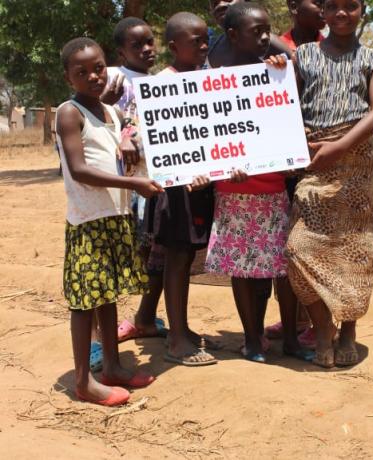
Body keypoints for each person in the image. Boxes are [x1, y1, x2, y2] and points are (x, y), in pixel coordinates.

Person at [205, 2, 314, 364]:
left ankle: (292, 339)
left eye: (268, 29)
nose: (266, 37)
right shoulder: (215, 79)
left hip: (273, 188)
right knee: (243, 269)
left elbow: (293, 114)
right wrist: (224, 167)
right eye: (257, 31)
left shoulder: (277, 72)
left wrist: (286, 73)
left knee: (281, 266)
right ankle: (252, 338)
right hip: (234, 190)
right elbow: (208, 134)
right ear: (233, 35)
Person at [57, 37, 163, 405]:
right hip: (88, 220)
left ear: (108, 66)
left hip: (115, 215)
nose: (93, 76)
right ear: (68, 77)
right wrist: (133, 182)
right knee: (85, 301)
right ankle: (85, 380)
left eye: (98, 67)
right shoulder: (69, 113)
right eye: (81, 72)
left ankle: (113, 366)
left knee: (107, 294)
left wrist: (131, 147)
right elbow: (79, 170)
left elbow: (122, 150)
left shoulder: (112, 114)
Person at [287, 0, 373, 368]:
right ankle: (323, 329)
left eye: (351, 5)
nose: (342, 13)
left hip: (357, 161)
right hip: (314, 159)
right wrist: (272, 73)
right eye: (333, 6)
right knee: (299, 249)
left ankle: (347, 331)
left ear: (362, 9)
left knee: (356, 249)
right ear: (323, 14)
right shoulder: (303, 55)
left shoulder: (372, 59)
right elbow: (282, 103)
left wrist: (341, 146)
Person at [101, 17, 168, 343]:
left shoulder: (160, 83)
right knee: (121, 255)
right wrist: (119, 132)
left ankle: (145, 316)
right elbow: (91, 115)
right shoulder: (113, 79)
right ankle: (104, 329)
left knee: (156, 253)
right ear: (121, 51)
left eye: (150, 42)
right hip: (122, 188)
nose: (146, 49)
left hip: (153, 183)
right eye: (137, 45)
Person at [265, 0, 327, 347]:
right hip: (283, 165)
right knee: (285, 245)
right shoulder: (274, 46)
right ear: (292, 5)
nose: (322, 7)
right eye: (315, 1)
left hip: (321, 159)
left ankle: (320, 320)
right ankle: (296, 319)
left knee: (318, 243)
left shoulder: (334, 46)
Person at [158, 12, 218, 366]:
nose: (203, 45)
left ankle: (182, 328)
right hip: (176, 190)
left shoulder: (210, 79)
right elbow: (150, 137)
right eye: (195, 40)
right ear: (173, 46)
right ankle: (177, 338)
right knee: (178, 257)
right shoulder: (161, 84)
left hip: (206, 184)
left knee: (189, 257)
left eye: (205, 38)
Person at [207, 0, 292, 68]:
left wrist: (280, 66)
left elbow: (297, 67)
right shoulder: (211, 49)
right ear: (232, 35)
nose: (220, 5)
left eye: (228, 0)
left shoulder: (268, 42)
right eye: (215, 3)